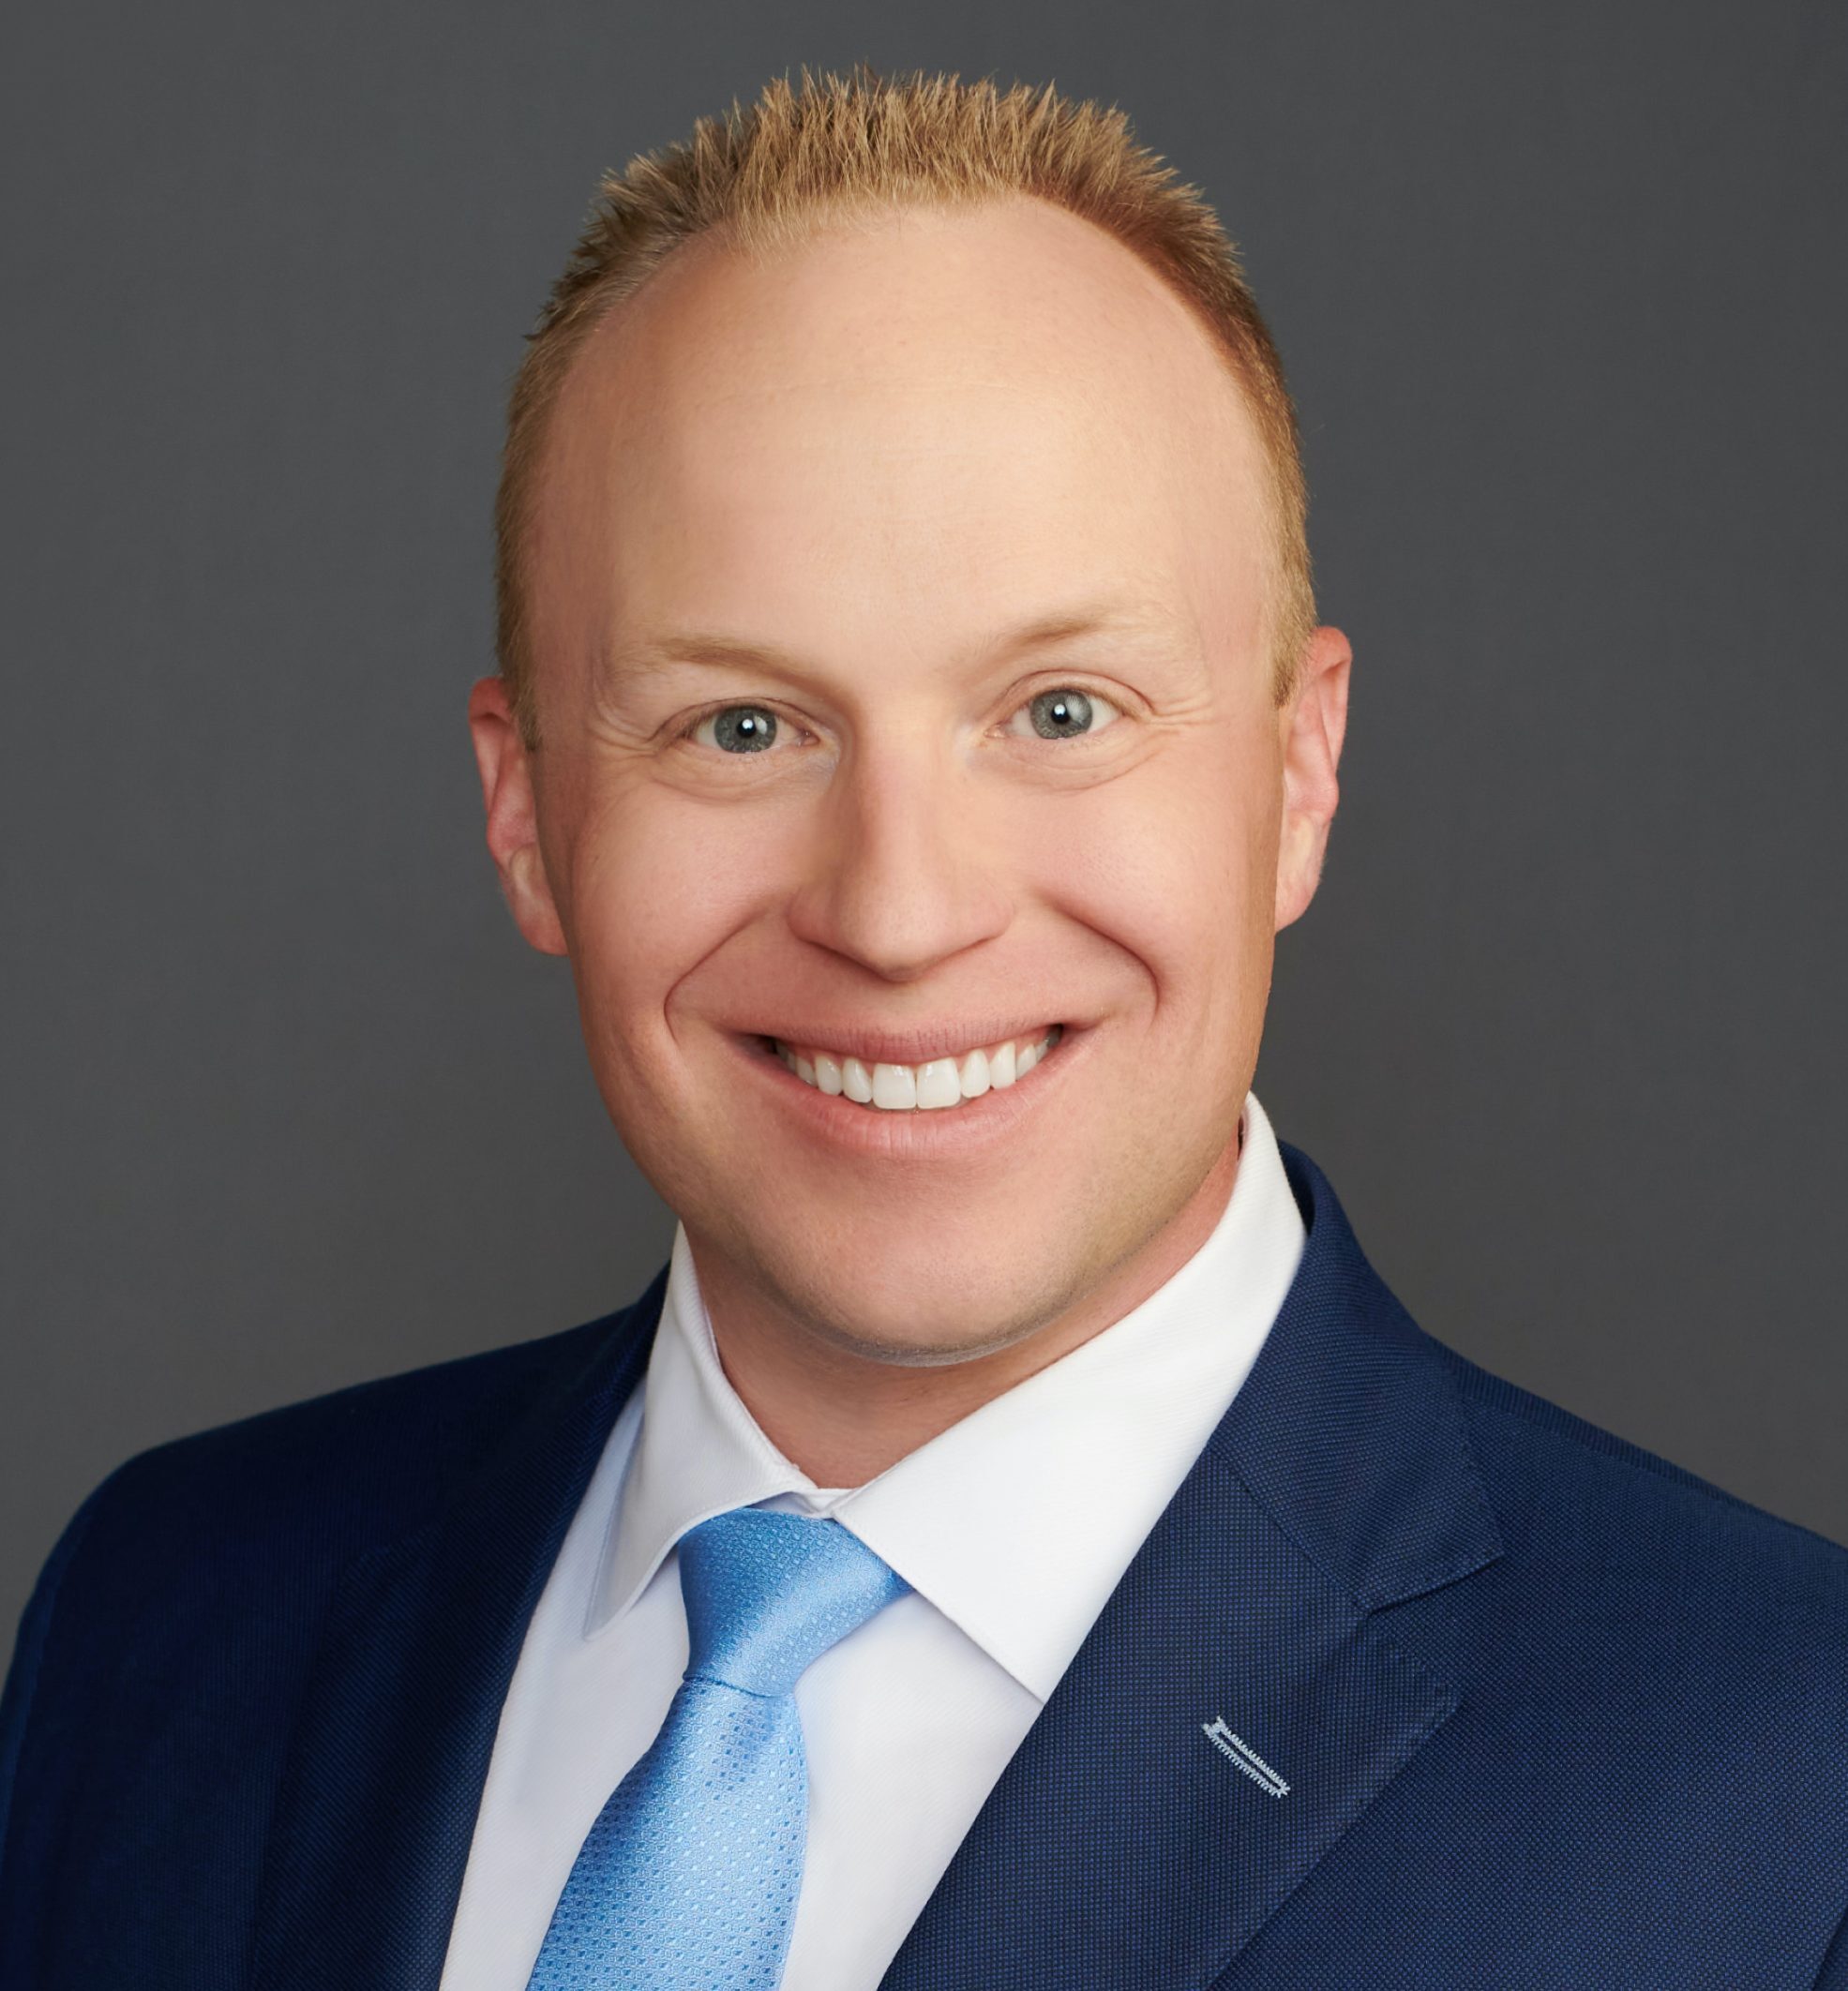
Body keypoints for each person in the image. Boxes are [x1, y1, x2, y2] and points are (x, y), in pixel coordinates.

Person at [2, 65, 1844, 1991]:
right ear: (527, 812)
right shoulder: (164, 1625)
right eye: (739, 727)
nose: (896, 912)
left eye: (1057, 710)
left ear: (1297, 775)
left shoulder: (1783, 1798)